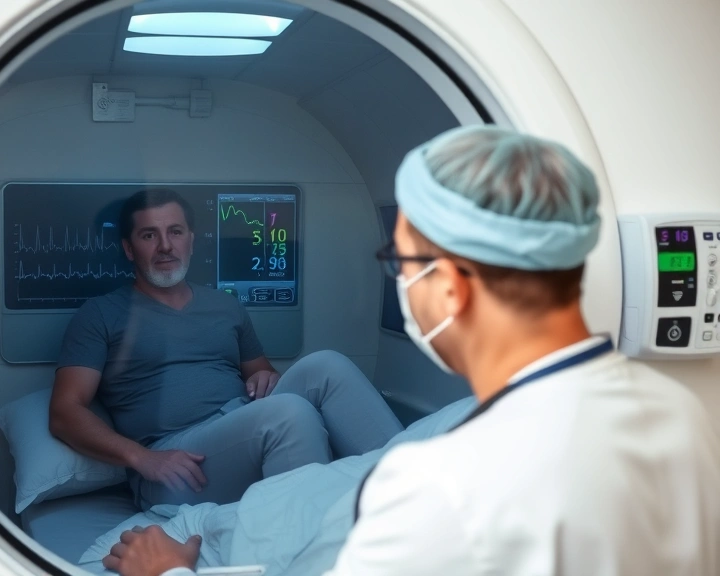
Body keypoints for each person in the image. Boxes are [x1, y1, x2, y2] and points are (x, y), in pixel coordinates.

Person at [101, 126, 720, 576]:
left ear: (448, 283)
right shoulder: (683, 416)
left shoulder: (433, 487)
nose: (398, 281)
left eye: (400, 261)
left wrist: (170, 572)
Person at [49, 188, 405, 511]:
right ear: (129, 248)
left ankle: (411, 493)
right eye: (148, 235)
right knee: (288, 413)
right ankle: (309, 550)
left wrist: (267, 377)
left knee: (328, 365)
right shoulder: (100, 314)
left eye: (175, 232)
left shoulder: (225, 306)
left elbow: (264, 377)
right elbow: (65, 412)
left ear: (191, 240)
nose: (165, 246)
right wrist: (141, 458)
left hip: (240, 424)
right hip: (173, 462)